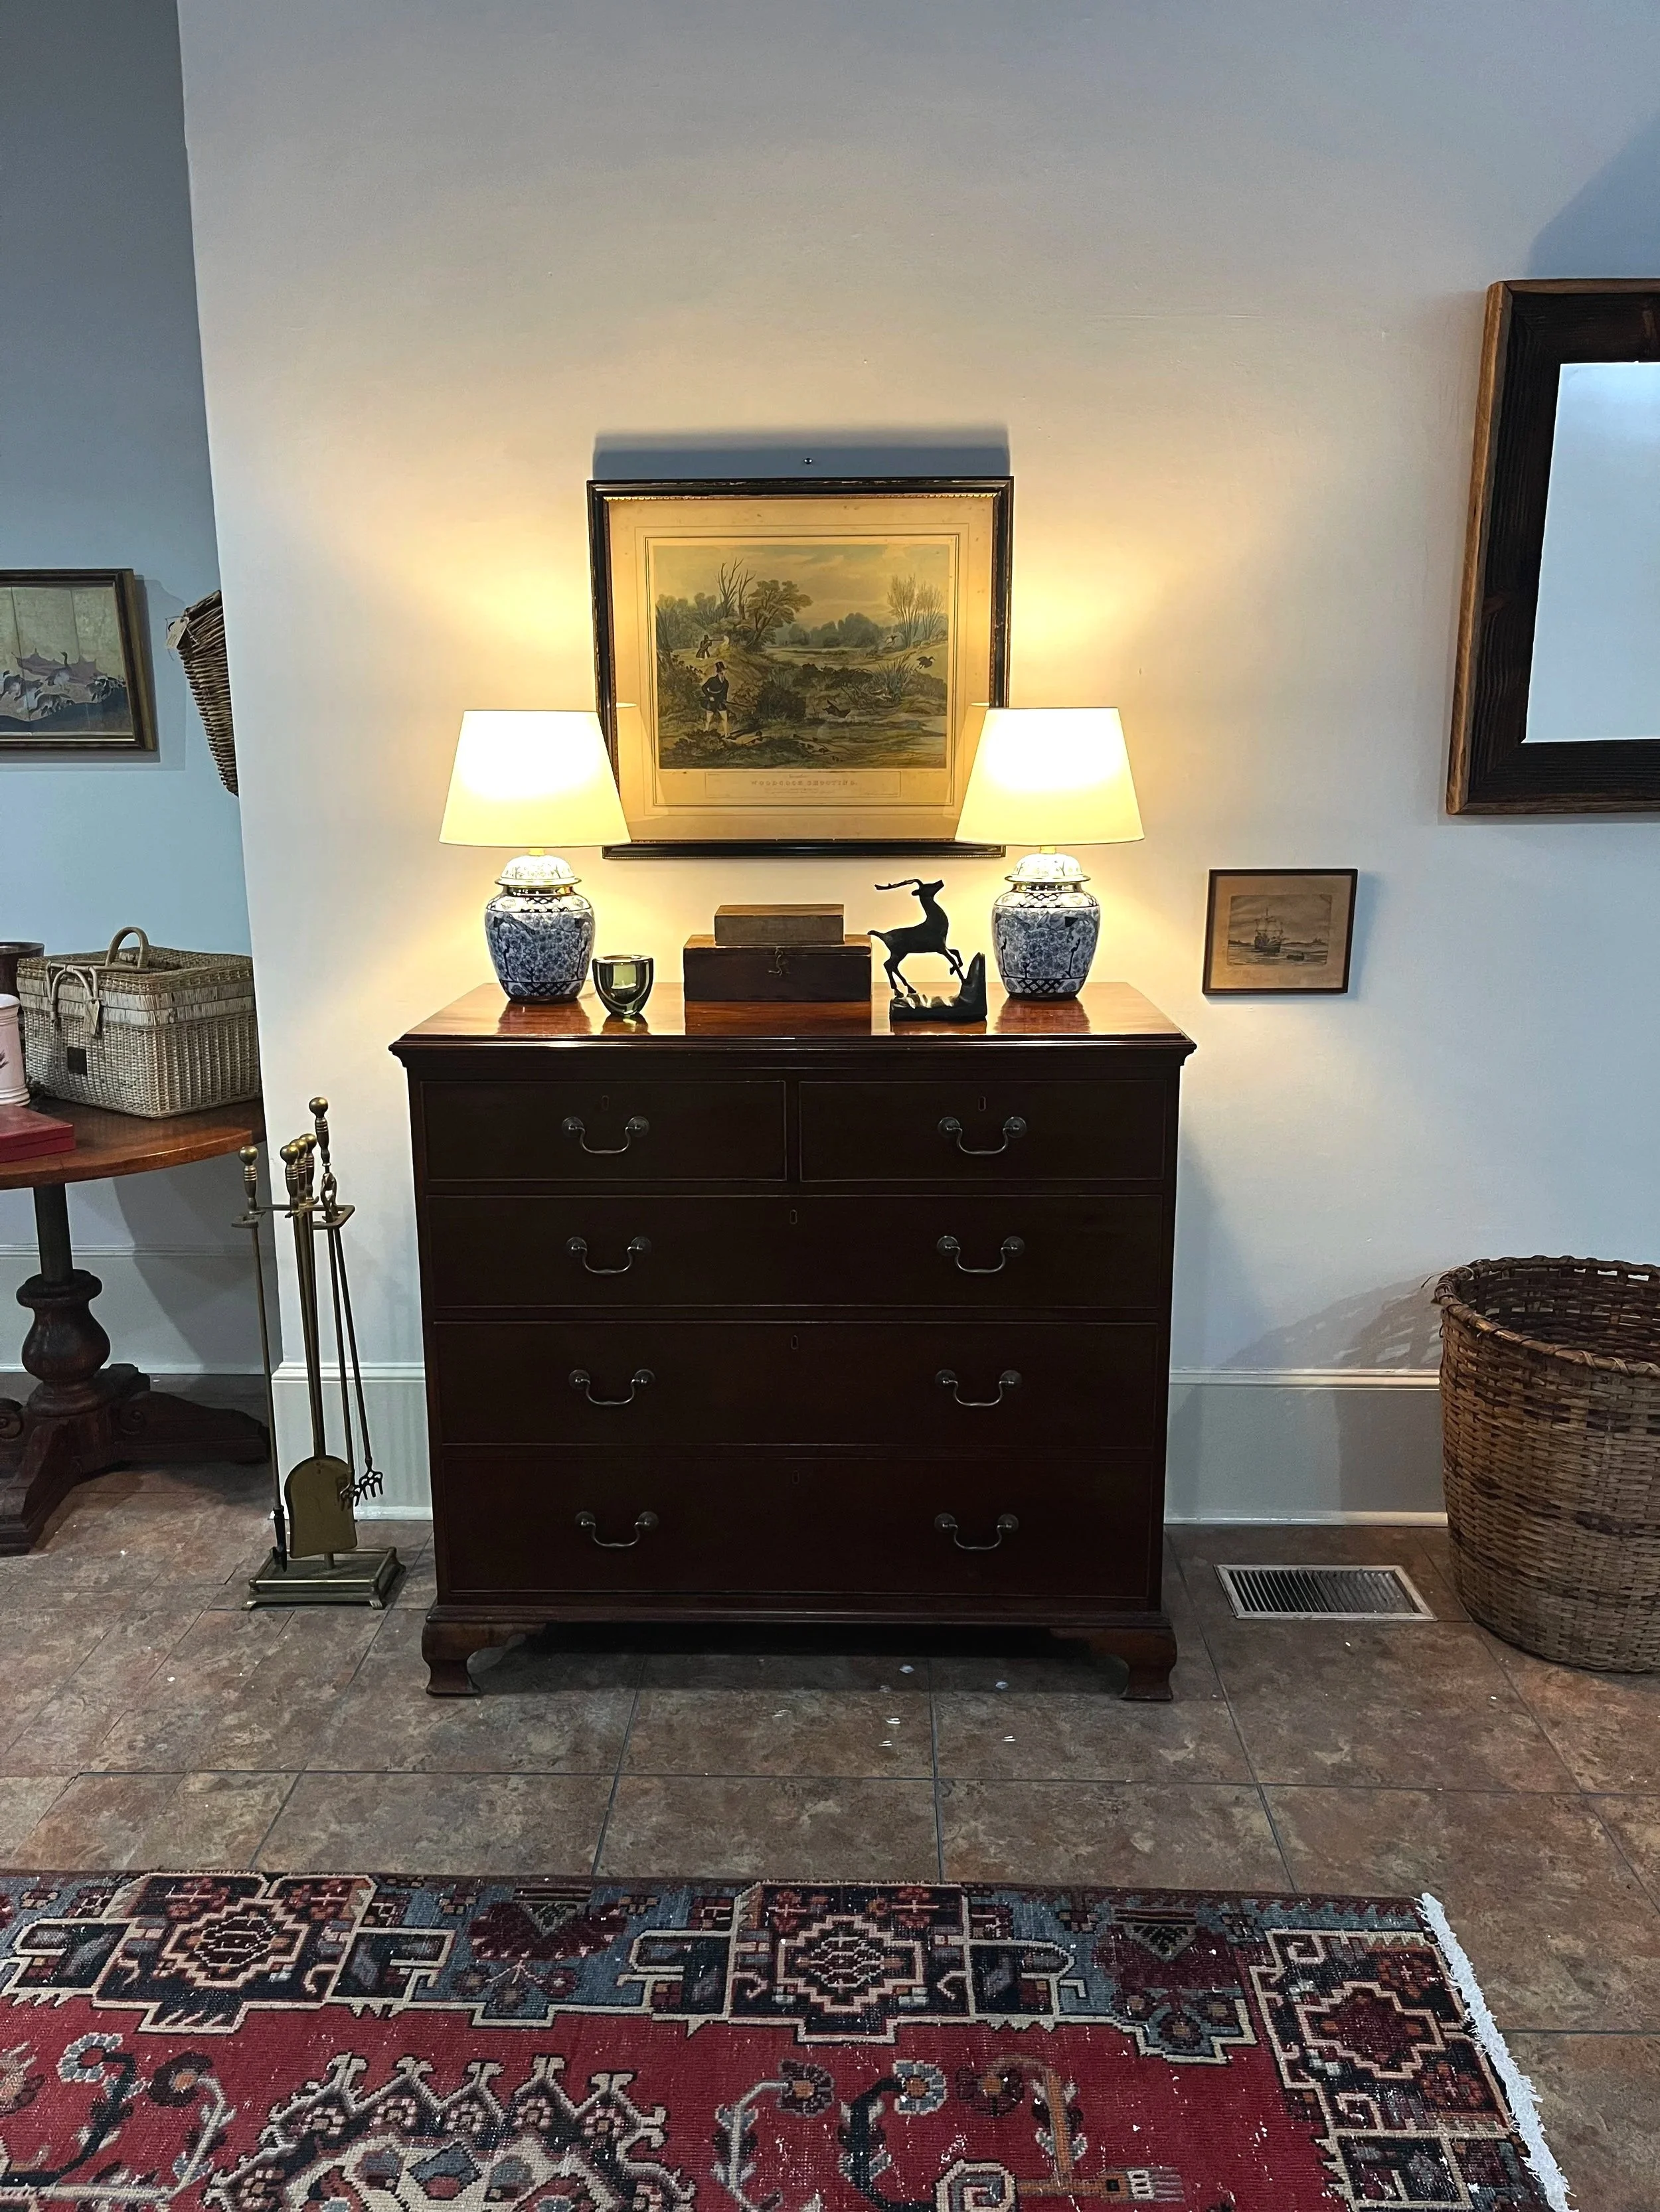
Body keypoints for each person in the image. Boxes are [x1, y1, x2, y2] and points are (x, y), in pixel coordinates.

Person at [700, 661, 730, 737]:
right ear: (720, 672)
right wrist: (709, 696)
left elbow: (724, 693)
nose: (725, 671)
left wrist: (724, 699)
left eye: (725, 670)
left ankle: (727, 734)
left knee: (725, 718)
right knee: (708, 719)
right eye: (724, 670)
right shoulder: (712, 680)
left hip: (719, 701)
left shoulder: (726, 683)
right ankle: (706, 731)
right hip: (712, 701)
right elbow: (704, 688)